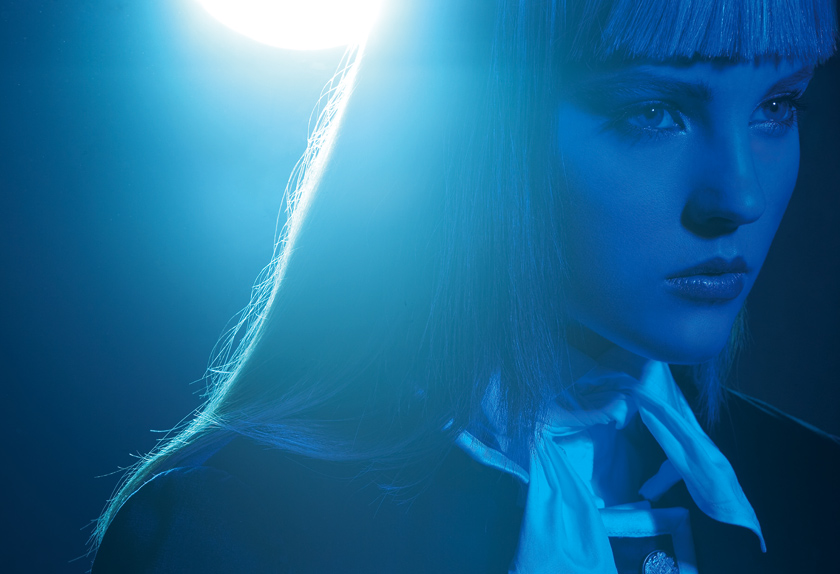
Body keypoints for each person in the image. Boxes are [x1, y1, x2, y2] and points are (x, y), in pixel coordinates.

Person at [91, 1, 839, 572]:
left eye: (778, 106)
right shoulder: (233, 527)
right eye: (653, 111)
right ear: (472, 129)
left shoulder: (817, 494)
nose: (739, 196)